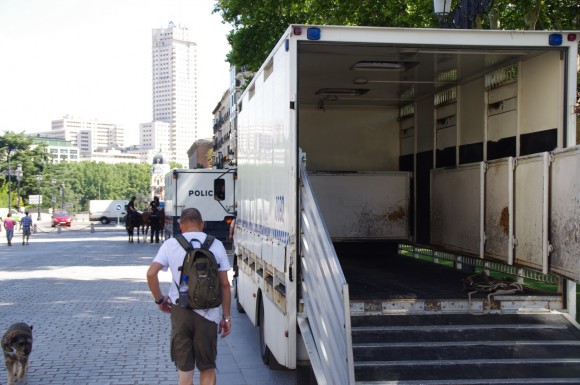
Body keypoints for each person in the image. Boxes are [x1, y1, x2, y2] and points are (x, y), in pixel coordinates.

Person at [146, 208, 231, 385]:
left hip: (181, 311)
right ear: (202, 224)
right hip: (209, 314)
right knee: (207, 367)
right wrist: (226, 317)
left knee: (185, 372)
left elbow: (151, 274)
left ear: (180, 225)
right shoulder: (216, 244)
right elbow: (224, 284)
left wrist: (160, 299)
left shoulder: (171, 244)